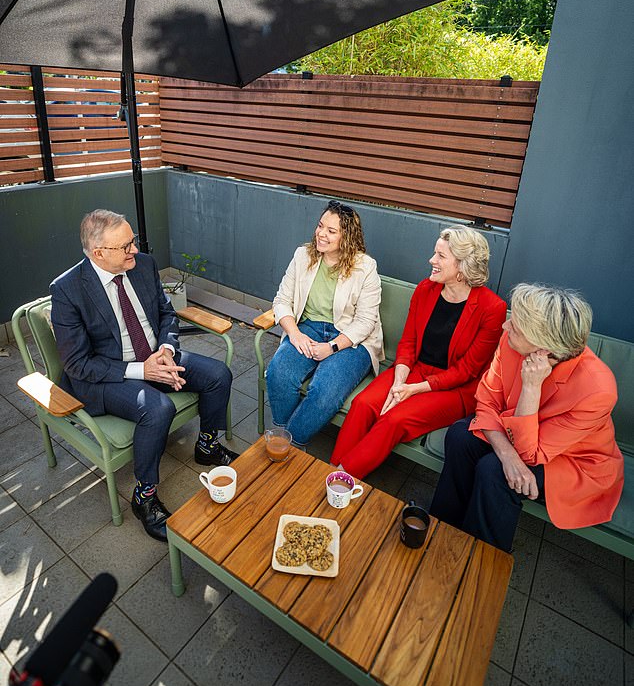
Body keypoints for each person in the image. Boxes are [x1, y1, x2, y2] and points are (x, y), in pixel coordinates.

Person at [50, 209, 237, 542]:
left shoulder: (144, 265)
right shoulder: (68, 291)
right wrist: (143, 370)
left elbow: (166, 314)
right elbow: (79, 364)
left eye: (132, 241)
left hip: (155, 356)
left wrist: (164, 350)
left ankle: (207, 445)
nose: (134, 249)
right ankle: (145, 495)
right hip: (107, 376)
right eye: (125, 246)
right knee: (157, 408)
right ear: (98, 253)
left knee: (218, 374)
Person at [430, 283, 624, 553]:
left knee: (494, 472)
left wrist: (531, 387)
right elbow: (486, 401)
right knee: (460, 436)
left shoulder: (598, 390)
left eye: (517, 327)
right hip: (515, 433)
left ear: (544, 348)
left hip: (573, 461)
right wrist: (507, 456)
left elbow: (532, 454)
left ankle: (482, 562)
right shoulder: (512, 344)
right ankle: (442, 528)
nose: (505, 326)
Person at [330, 225, 506, 478]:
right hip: (413, 370)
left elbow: (467, 371)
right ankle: (330, 471)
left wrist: (412, 390)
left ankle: (340, 478)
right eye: (435, 253)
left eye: (441, 256)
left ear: (463, 267)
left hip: (454, 388)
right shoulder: (426, 289)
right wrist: (399, 382)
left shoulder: (492, 308)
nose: (431, 260)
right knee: (363, 404)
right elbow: (408, 343)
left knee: (393, 420)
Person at [266, 199, 383, 447]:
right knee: (279, 372)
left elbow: (365, 322)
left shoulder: (366, 267)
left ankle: (288, 444)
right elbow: (281, 301)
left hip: (351, 339)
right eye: (320, 226)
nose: (321, 234)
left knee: (325, 390)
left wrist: (331, 347)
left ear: (347, 237)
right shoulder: (302, 255)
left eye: (331, 231)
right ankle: (285, 433)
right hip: (308, 327)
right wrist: (295, 334)